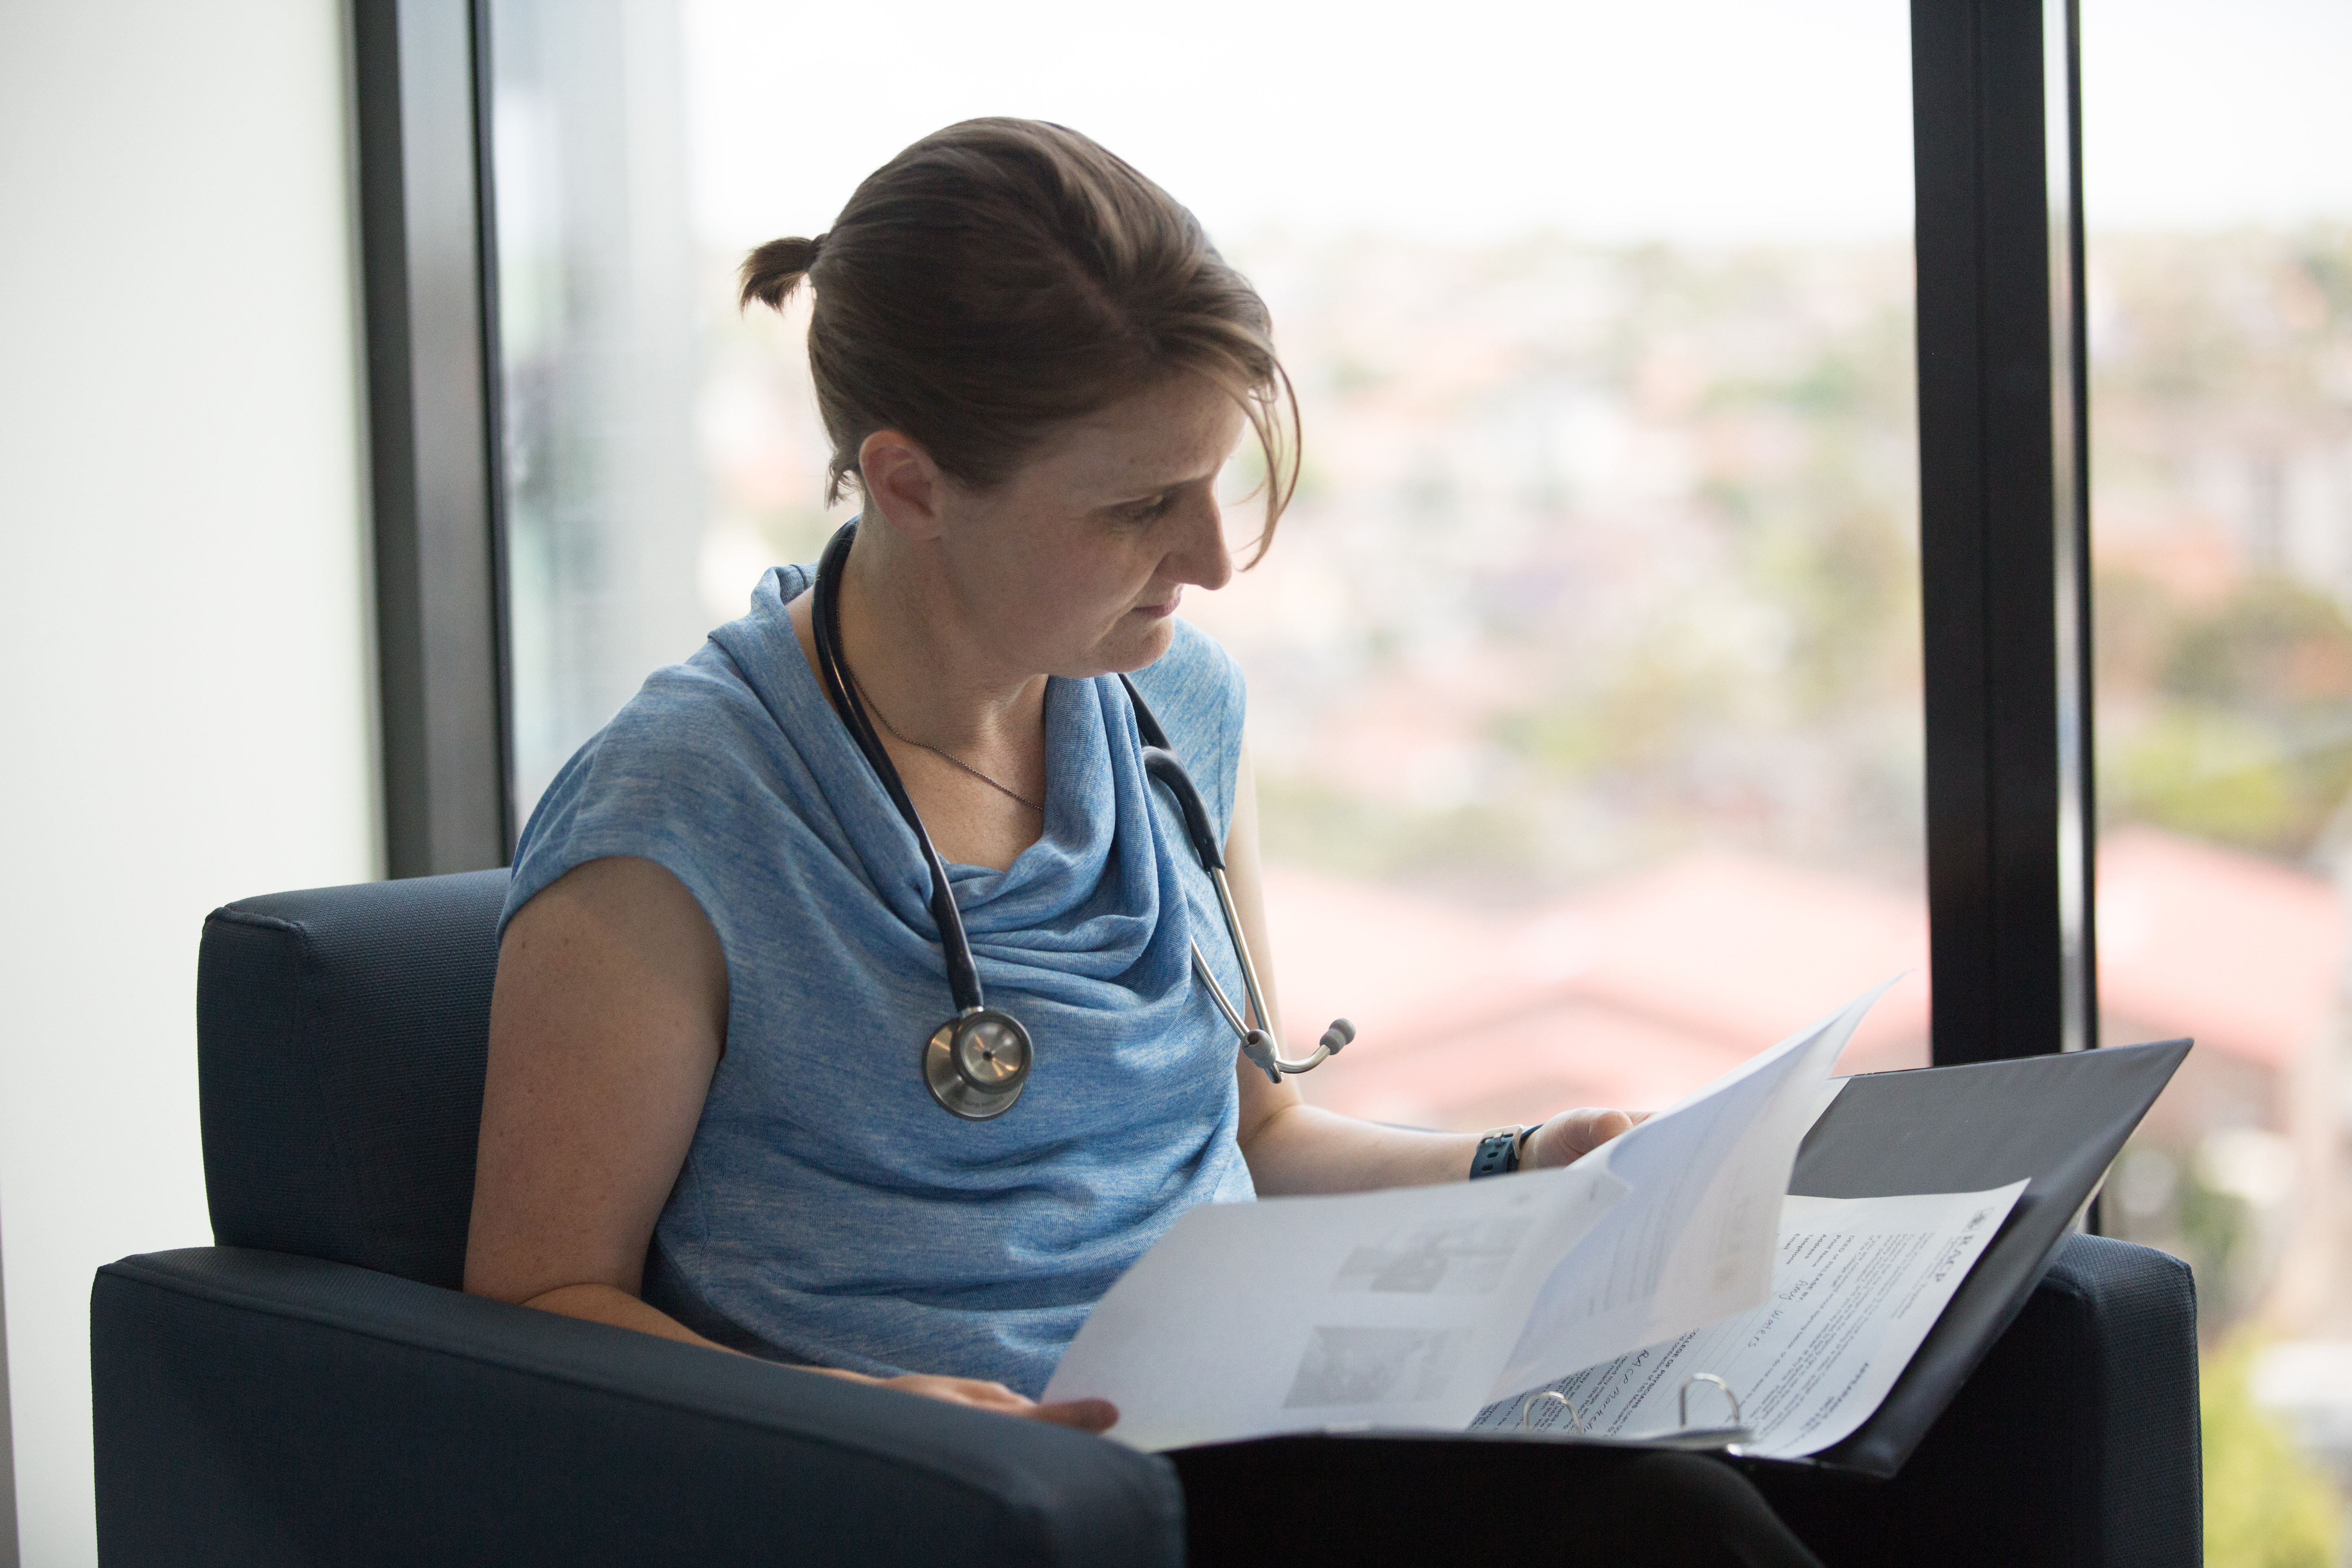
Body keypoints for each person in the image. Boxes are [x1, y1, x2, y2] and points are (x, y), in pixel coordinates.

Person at [463, 117, 1822, 1568]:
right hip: (926, 1503)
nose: (1214, 559)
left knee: (1698, 1495)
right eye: (1135, 508)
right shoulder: (680, 813)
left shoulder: (1172, 704)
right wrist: (868, 1412)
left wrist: (1518, 1164)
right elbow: (535, 1302)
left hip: (1235, 1446)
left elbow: (1260, 1131)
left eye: (1214, 482)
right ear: (910, 482)